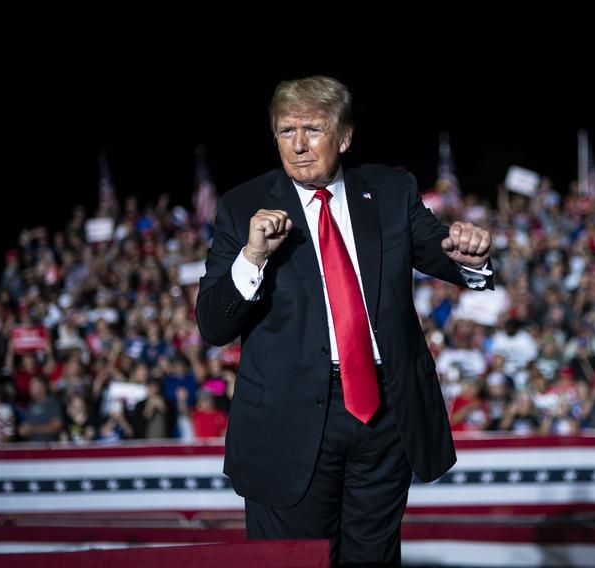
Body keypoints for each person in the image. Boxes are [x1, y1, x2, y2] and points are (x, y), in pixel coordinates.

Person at [196, 75, 494, 566]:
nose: (297, 144)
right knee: (292, 560)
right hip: (286, 421)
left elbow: (441, 251)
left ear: (345, 136)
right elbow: (213, 325)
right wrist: (250, 257)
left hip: (383, 414)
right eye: (285, 130)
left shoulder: (390, 190)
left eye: (312, 129)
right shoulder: (243, 206)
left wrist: (471, 253)